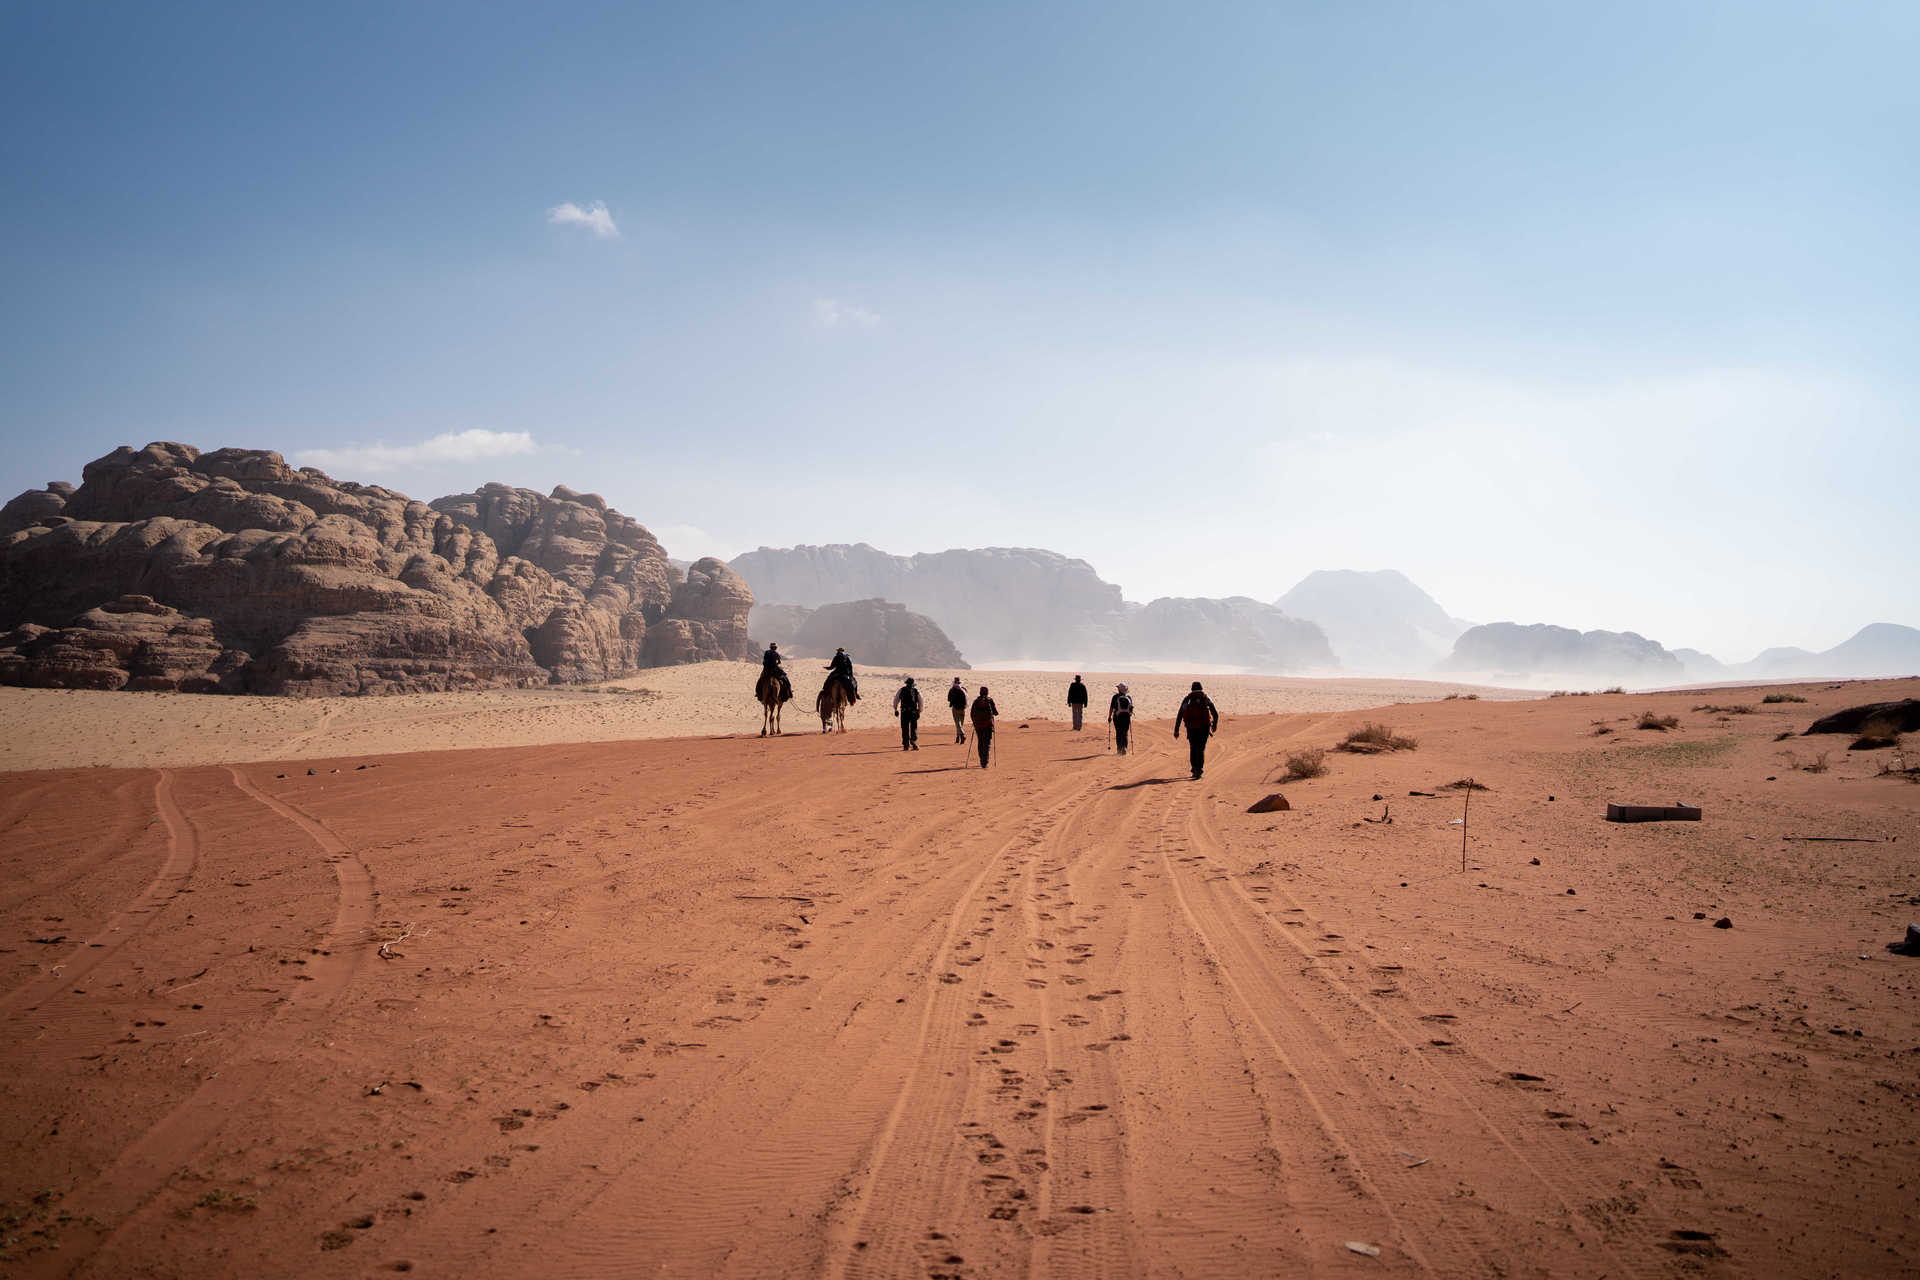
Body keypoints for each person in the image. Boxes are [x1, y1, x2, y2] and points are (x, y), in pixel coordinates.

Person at [1174, 680, 1220, 779]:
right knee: (1201, 748)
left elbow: (1180, 714)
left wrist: (1176, 730)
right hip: (1204, 727)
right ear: (1201, 688)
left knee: (1193, 747)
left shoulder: (1188, 699)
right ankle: (1199, 771)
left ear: (1192, 689)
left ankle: (1194, 769)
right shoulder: (1205, 698)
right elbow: (1215, 713)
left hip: (1191, 728)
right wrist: (1214, 725)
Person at [970, 685, 999, 769]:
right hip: (988, 725)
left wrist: (975, 722)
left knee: (980, 742)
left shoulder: (976, 701)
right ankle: (984, 762)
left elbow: (972, 714)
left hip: (978, 726)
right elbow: (996, 713)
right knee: (987, 743)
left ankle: (981, 760)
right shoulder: (990, 701)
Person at [892, 676, 922, 751]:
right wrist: (919, 711)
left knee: (904, 728)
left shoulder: (901, 690)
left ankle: (906, 745)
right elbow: (921, 702)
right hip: (913, 712)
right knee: (913, 727)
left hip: (904, 712)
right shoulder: (916, 691)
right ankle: (913, 741)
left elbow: (896, 700)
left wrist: (895, 709)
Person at [1108, 682, 1134, 755]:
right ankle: (1124, 747)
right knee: (1125, 732)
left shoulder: (1115, 697)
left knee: (1118, 732)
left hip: (1117, 717)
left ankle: (1119, 749)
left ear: (1119, 689)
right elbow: (1131, 708)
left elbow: (1111, 707)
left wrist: (1109, 716)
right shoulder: (1129, 697)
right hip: (1126, 717)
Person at [947, 677, 968, 743]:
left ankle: (962, 735)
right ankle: (958, 738)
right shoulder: (963, 689)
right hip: (963, 709)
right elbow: (967, 699)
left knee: (958, 724)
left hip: (955, 708)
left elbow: (949, 699)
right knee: (960, 724)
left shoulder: (952, 690)